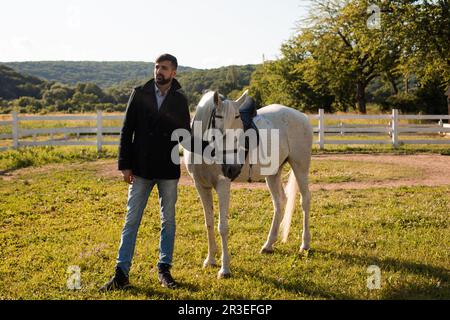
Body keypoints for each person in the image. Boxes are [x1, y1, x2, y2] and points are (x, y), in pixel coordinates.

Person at [100, 53, 190, 291]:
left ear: (174, 73)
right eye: (157, 66)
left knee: (168, 221)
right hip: (140, 168)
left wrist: (212, 150)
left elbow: (186, 136)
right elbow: (126, 130)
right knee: (131, 220)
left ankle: (164, 269)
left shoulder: (180, 99)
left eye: (164, 68)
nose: (159, 71)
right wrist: (125, 165)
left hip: (168, 170)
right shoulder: (139, 93)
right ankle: (121, 274)